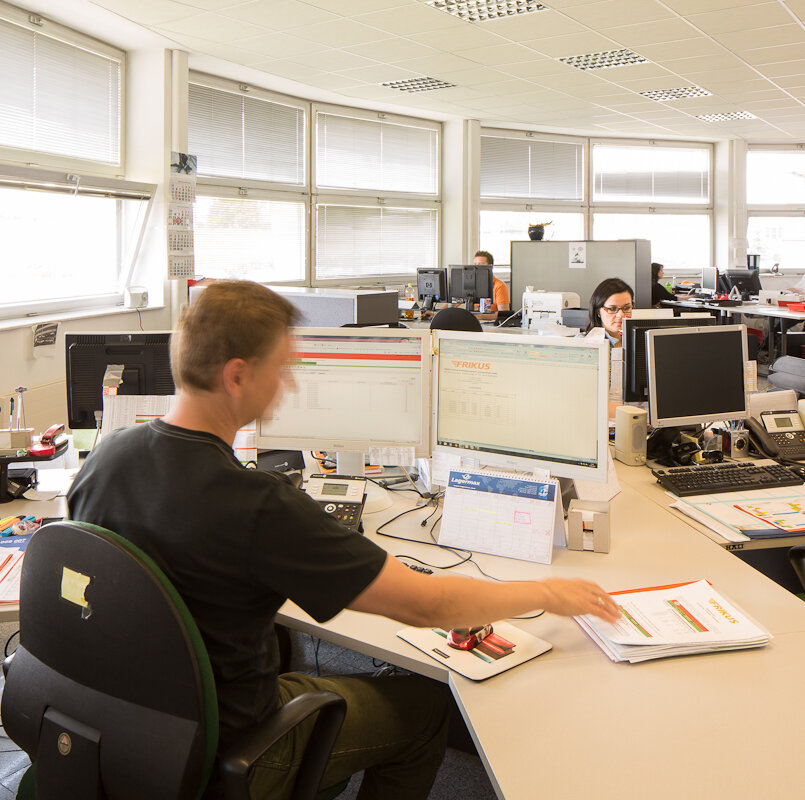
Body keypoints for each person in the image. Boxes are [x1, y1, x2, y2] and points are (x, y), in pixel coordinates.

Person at [67, 281, 619, 800]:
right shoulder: (255, 503)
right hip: (225, 749)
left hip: (112, 726)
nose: (290, 384)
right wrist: (546, 593)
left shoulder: (107, 454)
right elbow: (428, 604)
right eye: (281, 369)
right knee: (427, 709)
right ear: (237, 376)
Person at [585, 277, 634, 348]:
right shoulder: (582, 343)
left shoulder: (641, 341)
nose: (620, 315)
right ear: (598, 311)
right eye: (612, 309)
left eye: (626, 308)